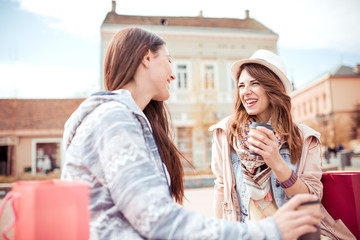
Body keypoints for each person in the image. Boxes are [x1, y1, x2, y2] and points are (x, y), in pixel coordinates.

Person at [61, 28, 321, 240]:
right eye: (170, 61)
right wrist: (268, 232)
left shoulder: (128, 120)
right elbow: (158, 220)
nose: (174, 74)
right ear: (147, 58)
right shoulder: (114, 119)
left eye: (255, 83)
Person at [210, 49, 355, 239]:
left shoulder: (305, 137)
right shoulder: (225, 133)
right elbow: (221, 189)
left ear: (274, 88)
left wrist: (276, 161)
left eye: (255, 83)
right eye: (241, 85)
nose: (246, 92)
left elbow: (312, 197)